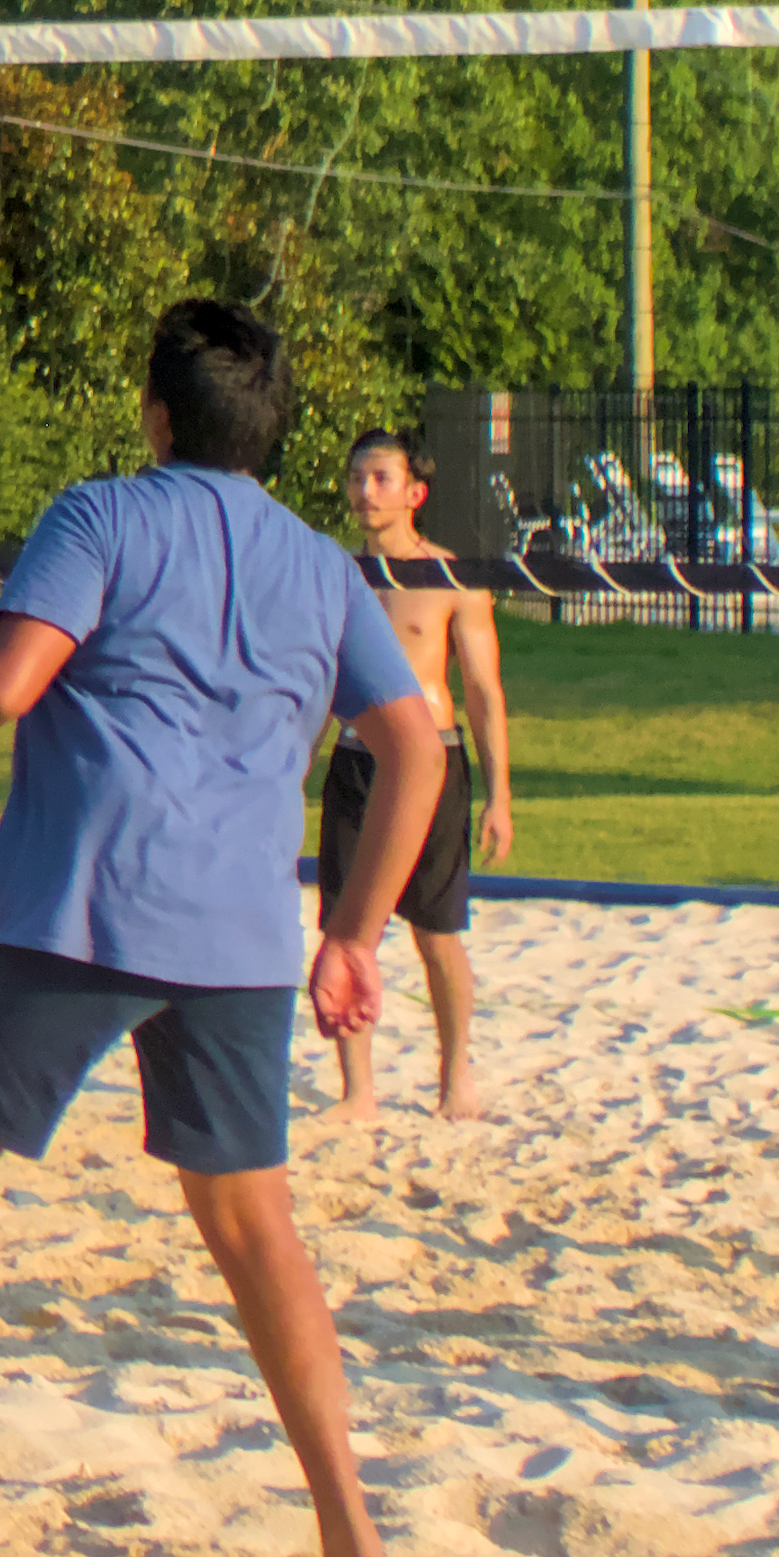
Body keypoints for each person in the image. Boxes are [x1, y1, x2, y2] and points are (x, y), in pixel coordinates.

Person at [0, 296, 450, 1557]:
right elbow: (417, 746)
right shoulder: (322, 565)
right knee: (254, 1223)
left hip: (85, 907)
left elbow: (6, 681)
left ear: (154, 412)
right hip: (246, 933)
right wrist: (356, 933)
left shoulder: (99, 516)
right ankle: (355, 1551)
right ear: (273, 434)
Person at [329, 426, 515, 1122]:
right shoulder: (338, 576)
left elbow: (483, 691)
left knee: (435, 932)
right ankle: (357, 1092)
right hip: (355, 759)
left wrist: (499, 796)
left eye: (379, 477)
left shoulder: (450, 577)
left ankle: (454, 1077)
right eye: (355, 477)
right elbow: (322, 681)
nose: (364, 490)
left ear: (415, 492)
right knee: (347, 930)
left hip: (432, 762)